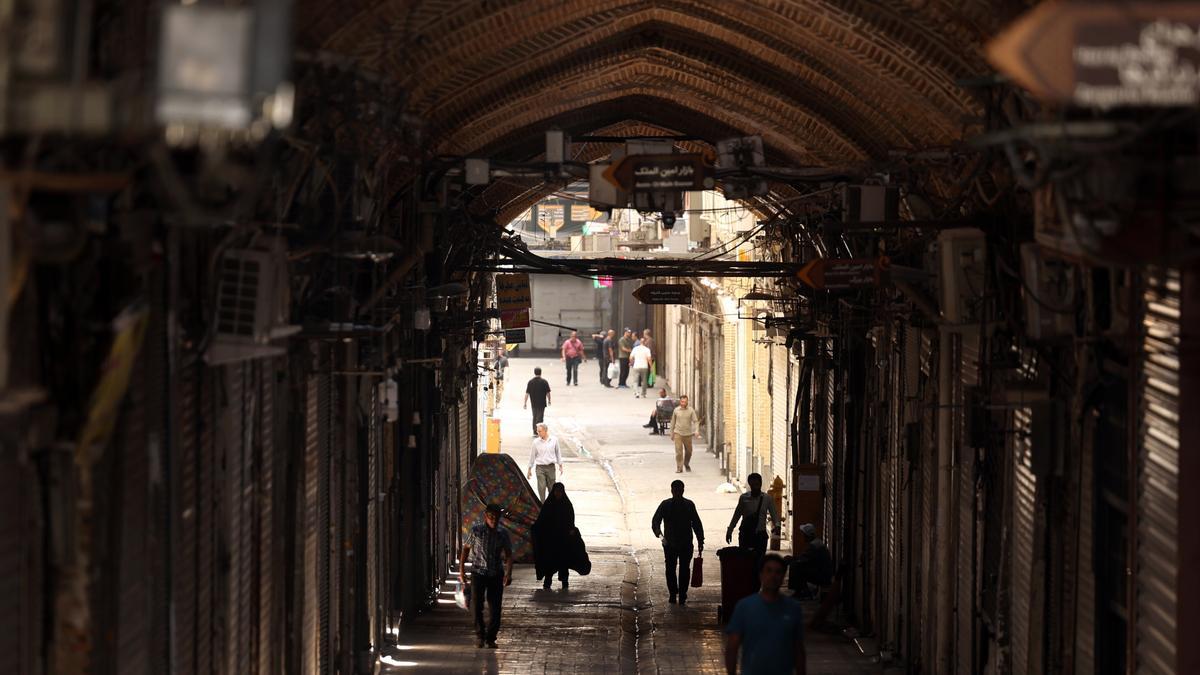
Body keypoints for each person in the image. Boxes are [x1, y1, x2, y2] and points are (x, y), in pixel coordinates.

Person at [723, 553, 807, 674]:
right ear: (761, 575)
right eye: (768, 571)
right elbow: (732, 647)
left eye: (778, 572)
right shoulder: (745, 607)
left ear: (783, 576)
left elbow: (798, 650)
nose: (773, 576)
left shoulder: (793, 609)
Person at [460, 504, 514, 649]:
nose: (493, 520)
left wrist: (508, 574)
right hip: (478, 573)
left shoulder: (503, 534)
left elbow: (509, 555)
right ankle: (480, 635)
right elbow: (465, 550)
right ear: (486, 517)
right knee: (477, 605)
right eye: (491, 517)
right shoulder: (476, 531)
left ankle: (491, 638)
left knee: (495, 607)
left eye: (496, 517)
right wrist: (461, 571)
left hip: (496, 574)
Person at [651, 479, 705, 605]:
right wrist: (661, 537)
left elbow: (696, 524)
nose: (677, 493)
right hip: (671, 543)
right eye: (676, 490)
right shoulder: (670, 505)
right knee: (675, 569)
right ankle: (675, 593)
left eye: (679, 490)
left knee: (681, 569)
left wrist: (700, 540)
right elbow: (656, 522)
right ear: (672, 490)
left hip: (681, 543)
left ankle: (680, 593)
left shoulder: (685, 505)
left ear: (682, 490)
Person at [532, 482, 576, 590]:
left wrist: (571, 530)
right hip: (550, 540)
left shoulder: (567, 505)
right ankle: (548, 582)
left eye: (560, 492)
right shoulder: (548, 505)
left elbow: (571, 521)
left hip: (563, 539)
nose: (558, 494)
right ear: (553, 492)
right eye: (556, 491)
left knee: (563, 561)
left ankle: (565, 582)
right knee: (549, 561)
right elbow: (541, 520)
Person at [725, 473, 780, 556]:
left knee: (759, 561)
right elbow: (737, 515)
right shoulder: (744, 498)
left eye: (757, 484)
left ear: (761, 484)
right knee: (745, 561)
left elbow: (774, 515)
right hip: (746, 534)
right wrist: (730, 530)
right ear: (749, 485)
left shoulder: (767, 498)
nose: (755, 487)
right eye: (752, 484)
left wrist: (777, 526)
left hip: (760, 536)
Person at [787, 523, 833, 597]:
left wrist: (791, 560)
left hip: (822, 575)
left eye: (804, 535)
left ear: (807, 536)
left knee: (795, 566)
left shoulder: (814, 546)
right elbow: (805, 557)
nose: (803, 537)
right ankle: (803, 590)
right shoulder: (817, 543)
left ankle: (800, 592)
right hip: (823, 572)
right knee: (797, 564)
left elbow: (803, 559)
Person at [526, 423, 564, 501]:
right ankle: (542, 504)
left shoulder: (554, 440)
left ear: (545, 431)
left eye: (540, 431)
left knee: (551, 488)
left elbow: (558, 453)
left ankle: (550, 504)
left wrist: (560, 465)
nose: (538, 433)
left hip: (551, 467)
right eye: (537, 431)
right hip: (540, 468)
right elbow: (532, 456)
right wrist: (529, 469)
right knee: (541, 486)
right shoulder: (536, 442)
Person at [670, 395, 699, 473]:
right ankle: (679, 467)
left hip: (688, 434)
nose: (684, 403)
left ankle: (686, 463)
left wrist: (696, 430)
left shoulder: (691, 410)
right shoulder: (676, 410)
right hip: (678, 433)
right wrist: (671, 433)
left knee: (689, 451)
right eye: (682, 401)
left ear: (687, 402)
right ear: (680, 401)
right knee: (679, 451)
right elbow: (673, 422)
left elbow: (695, 421)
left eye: (685, 401)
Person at [523, 367, 551, 436]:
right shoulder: (544, 382)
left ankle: (534, 431)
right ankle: (539, 431)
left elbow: (527, 393)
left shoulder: (530, 382)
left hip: (533, 403)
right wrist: (549, 400)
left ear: (534, 372)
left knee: (534, 416)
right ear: (541, 373)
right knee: (540, 417)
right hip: (542, 403)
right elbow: (548, 393)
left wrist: (525, 403)